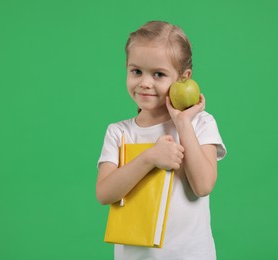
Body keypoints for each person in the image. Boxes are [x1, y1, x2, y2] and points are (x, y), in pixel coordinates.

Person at [96, 20, 226, 260]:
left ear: (183, 78)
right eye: (136, 71)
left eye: (158, 74)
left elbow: (203, 186)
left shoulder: (201, 124)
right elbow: (104, 193)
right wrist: (148, 158)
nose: (145, 82)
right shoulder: (119, 132)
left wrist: (183, 124)